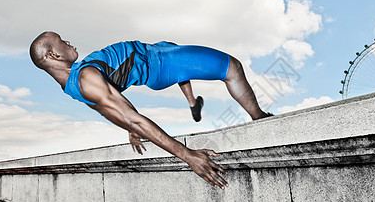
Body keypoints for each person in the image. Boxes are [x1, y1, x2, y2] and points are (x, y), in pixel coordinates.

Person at [29, 31, 272, 189]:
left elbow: (109, 105)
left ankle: (192, 104)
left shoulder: (71, 85)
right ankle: (259, 117)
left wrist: (130, 129)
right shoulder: (86, 77)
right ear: (53, 54)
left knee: (176, 49)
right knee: (232, 68)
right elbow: (131, 117)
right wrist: (187, 156)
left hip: (155, 53)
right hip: (160, 62)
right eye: (62, 40)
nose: (68, 41)